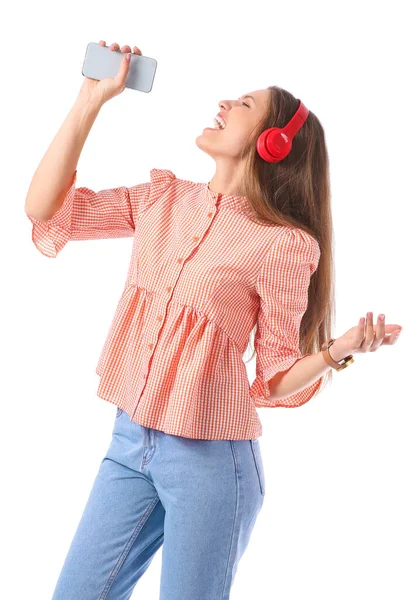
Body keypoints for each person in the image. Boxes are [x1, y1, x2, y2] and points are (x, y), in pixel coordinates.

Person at [25, 40, 403, 600]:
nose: (225, 103)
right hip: (129, 443)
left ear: (274, 142)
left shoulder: (283, 245)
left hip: (210, 464)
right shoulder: (163, 200)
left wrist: (334, 350)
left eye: (244, 104)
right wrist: (89, 101)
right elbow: (46, 210)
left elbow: (272, 376)